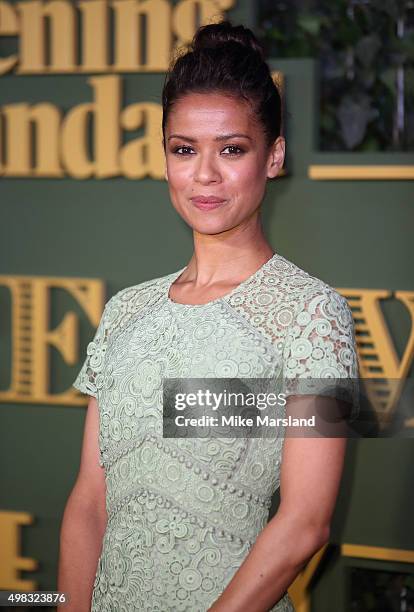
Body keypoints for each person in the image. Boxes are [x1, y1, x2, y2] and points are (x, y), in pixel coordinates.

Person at [57, 20, 360, 612]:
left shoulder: (311, 314)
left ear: (273, 157)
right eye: (184, 149)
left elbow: (305, 523)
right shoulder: (127, 312)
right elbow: (90, 500)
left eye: (231, 149)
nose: (204, 175)